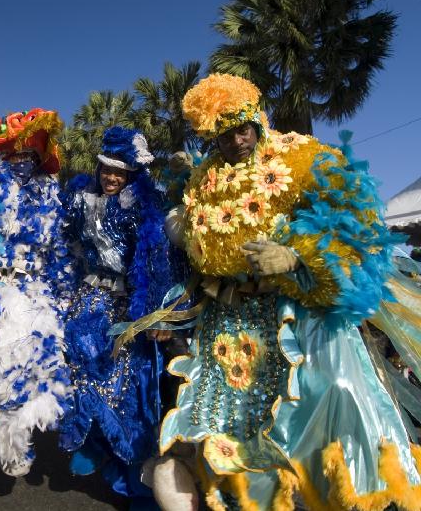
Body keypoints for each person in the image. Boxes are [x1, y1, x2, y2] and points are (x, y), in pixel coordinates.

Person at [140, 73, 421, 510]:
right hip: (227, 325)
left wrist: (296, 256)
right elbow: (187, 240)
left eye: (242, 129)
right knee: (227, 426)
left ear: (257, 121)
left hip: (296, 318)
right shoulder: (203, 178)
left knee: (327, 402)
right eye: (224, 135)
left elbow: (356, 222)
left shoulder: (300, 156)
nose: (236, 141)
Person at [58, 126, 186, 507]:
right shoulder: (80, 199)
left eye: (119, 171)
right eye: (106, 169)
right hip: (89, 297)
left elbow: (158, 261)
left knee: (133, 387)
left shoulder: (142, 207)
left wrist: (157, 313)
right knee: (80, 367)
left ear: (131, 174)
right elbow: (58, 236)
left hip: (130, 304)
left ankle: (136, 479)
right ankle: (93, 444)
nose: (111, 177)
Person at [0, 108, 74, 477]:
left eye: (30, 156)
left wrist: (63, 295)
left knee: (29, 370)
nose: (23, 162)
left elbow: (59, 252)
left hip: (32, 292)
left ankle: (13, 445)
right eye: (16, 155)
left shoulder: (50, 195)